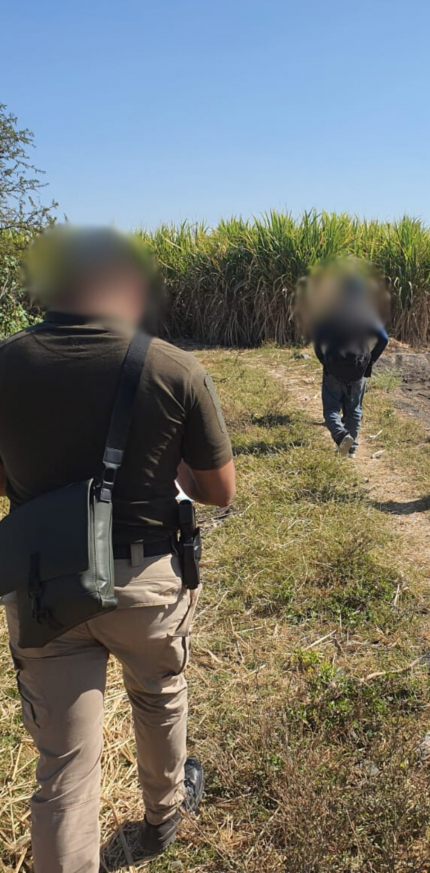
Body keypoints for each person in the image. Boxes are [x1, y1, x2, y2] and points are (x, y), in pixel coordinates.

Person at [0, 227, 236, 873]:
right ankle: (163, 816)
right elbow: (219, 490)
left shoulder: (5, 363)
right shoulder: (173, 367)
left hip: (46, 589)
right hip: (145, 582)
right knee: (159, 697)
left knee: (63, 767)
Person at [311, 274, 389, 458]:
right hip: (357, 369)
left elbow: (317, 340)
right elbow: (384, 339)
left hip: (334, 367)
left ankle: (341, 436)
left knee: (331, 409)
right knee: (354, 410)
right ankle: (351, 449)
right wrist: (370, 361)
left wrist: (323, 360)